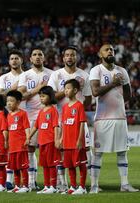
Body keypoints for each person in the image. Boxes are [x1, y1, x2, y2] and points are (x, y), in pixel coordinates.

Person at [89, 44, 138, 193]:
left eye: (112, 49)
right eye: (106, 49)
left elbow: (128, 96)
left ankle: (124, 185)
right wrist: (113, 83)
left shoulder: (122, 71)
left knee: (122, 152)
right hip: (102, 119)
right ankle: (94, 186)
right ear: (100, 54)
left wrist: (123, 82)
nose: (110, 51)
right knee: (98, 153)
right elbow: (95, 91)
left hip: (120, 117)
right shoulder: (96, 70)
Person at [47, 46, 92, 190]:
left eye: (72, 55)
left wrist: (78, 110)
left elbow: (89, 98)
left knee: (82, 153)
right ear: (63, 58)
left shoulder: (84, 75)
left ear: (76, 57)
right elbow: (51, 97)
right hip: (61, 119)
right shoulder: (56, 74)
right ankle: (64, 184)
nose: (69, 57)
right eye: (67, 55)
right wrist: (65, 92)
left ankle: (86, 185)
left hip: (77, 119)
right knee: (63, 153)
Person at [18, 47, 53, 190]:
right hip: (31, 117)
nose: (37, 57)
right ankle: (32, 182)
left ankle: (54, 182)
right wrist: (38, 89)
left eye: (40, 54)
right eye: (34, 55)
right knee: (31, 149)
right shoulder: (25, 75)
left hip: (48, 117)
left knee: (49, 150)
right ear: (30, 59)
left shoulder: (52, 74)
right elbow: (20, 97)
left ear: (44, 58)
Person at [26, 86, 60, 194]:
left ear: (50, 97)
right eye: (40, 96)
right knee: (44, 165)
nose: (41, 98)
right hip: (42, 142)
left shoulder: (53, 111)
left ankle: (53, 186)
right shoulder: (41, 111)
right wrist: (29, 137)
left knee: (51, 165)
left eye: (43, 96)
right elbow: (36, 126)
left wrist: (56, 140)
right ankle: (46, 186)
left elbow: (56, 126)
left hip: (50, 141)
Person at [60, 79, 87, 195]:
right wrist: (61, 138)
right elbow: (64, 124)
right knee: (70, 165)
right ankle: (73, 186)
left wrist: (80, 139)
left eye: (68, 88)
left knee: (81, 164)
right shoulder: (65, 107)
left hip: (76, 141)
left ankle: (82, 187)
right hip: (67, 142)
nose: (66, 91)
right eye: (65, 89)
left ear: (75, 90)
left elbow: (82, 123)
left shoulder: (79, 105)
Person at [6, 90, 31, 193]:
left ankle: (25, 186)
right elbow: (8, 130)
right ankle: (16, 185)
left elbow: (26, 127)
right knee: (14, 167)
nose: (9, 103)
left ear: (18, 102)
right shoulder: (8, 115)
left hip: (20, 144)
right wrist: (6, 142)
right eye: (7, 101)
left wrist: (28, 138)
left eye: (11, 101)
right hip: (12, 146)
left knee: (23, 166)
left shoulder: (22, 114)